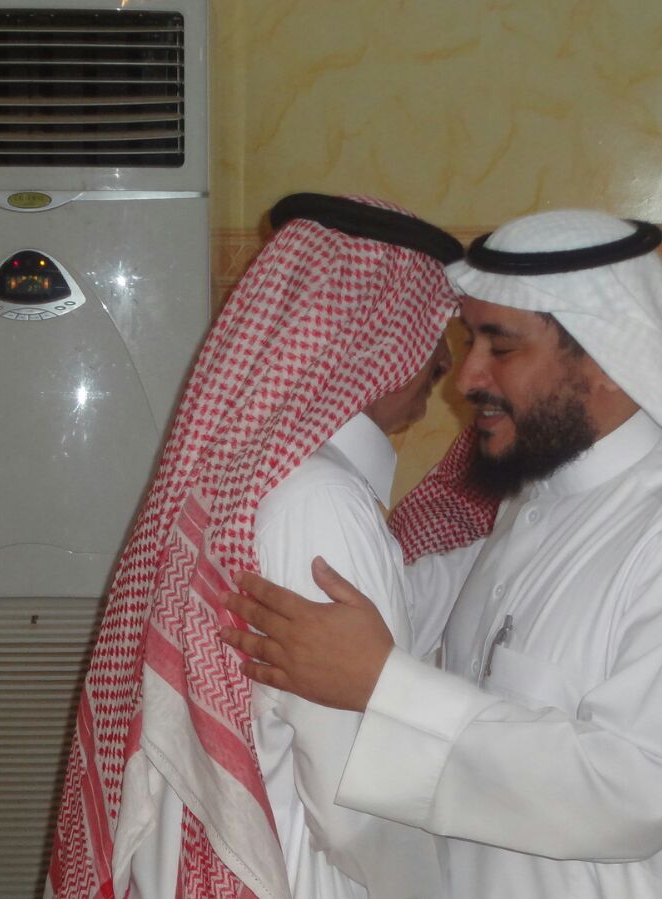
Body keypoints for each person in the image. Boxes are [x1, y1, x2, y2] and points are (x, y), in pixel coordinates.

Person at [220, 209, 662, 899]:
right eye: (468, 340)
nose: (465, 377)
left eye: (501, 347)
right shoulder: (542, 497)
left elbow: (637, 790)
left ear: (606, 359)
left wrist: (380, 683)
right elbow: (476, 593)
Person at [47, 193, 463, 899]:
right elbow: (357, 807)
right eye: (430, 324)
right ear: (369, 331)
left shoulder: (261, 478)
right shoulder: (319, 500)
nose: (444, 357)